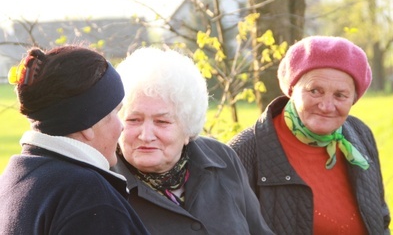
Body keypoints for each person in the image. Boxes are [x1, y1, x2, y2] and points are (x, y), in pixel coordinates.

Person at [228, 36, 391, 234]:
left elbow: (380, 220)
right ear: (292, 89)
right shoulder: (241, 153)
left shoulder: (360, 135)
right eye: (315, 91)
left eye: (340, 95)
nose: (326, 106)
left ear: (354, 99)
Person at [112, 47, 274, 235]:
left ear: (188, 125)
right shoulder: (104, 183)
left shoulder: (222, 158)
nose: (146, 135)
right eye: (133, 120)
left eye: (162, 121)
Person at [0, 45, 149, 234]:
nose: (122, 126)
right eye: (116, 112)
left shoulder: (15, 178)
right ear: (87, 124)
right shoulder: (90, 198)